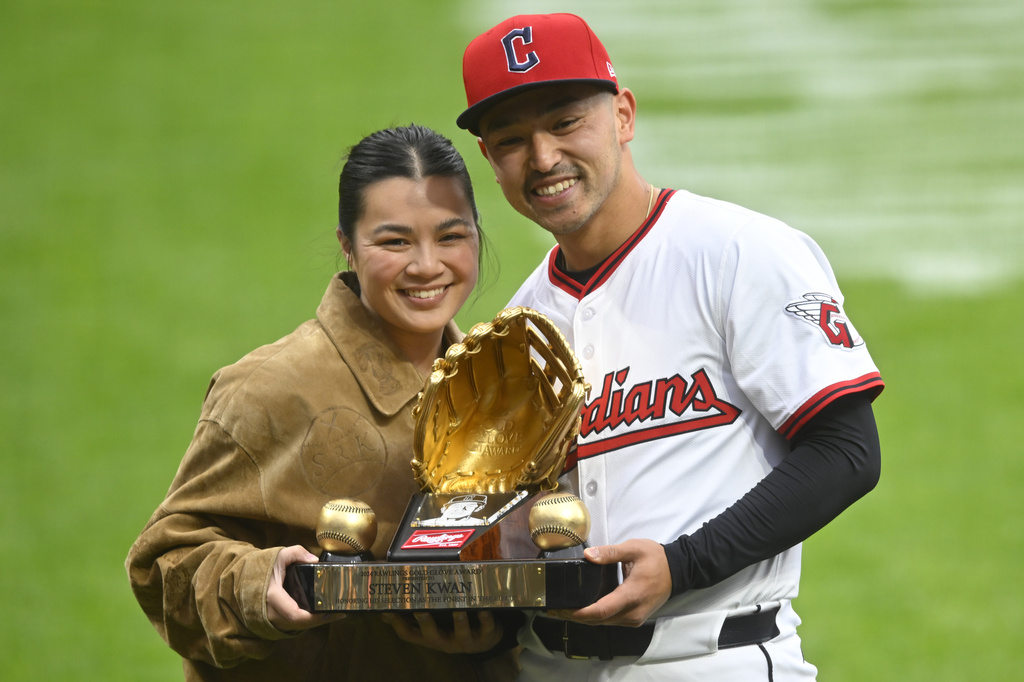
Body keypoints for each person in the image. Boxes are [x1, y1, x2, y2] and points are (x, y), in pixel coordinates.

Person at [452, 13, 885, 681]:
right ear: (489, 158)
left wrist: (682, 566)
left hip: (717, 658)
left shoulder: (740, 253)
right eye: (512, 139)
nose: (542, 158)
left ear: (623, 115)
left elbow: (846, 453)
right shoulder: (518, 331)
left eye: (566, 122)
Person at [125, 124, 518, 681]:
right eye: (394, 241)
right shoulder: (269, 386)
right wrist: (259, 585)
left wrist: (487, 637)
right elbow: (161, 562)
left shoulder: (505, 396)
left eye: (451, 236)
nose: (427, 265)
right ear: (348, 246)